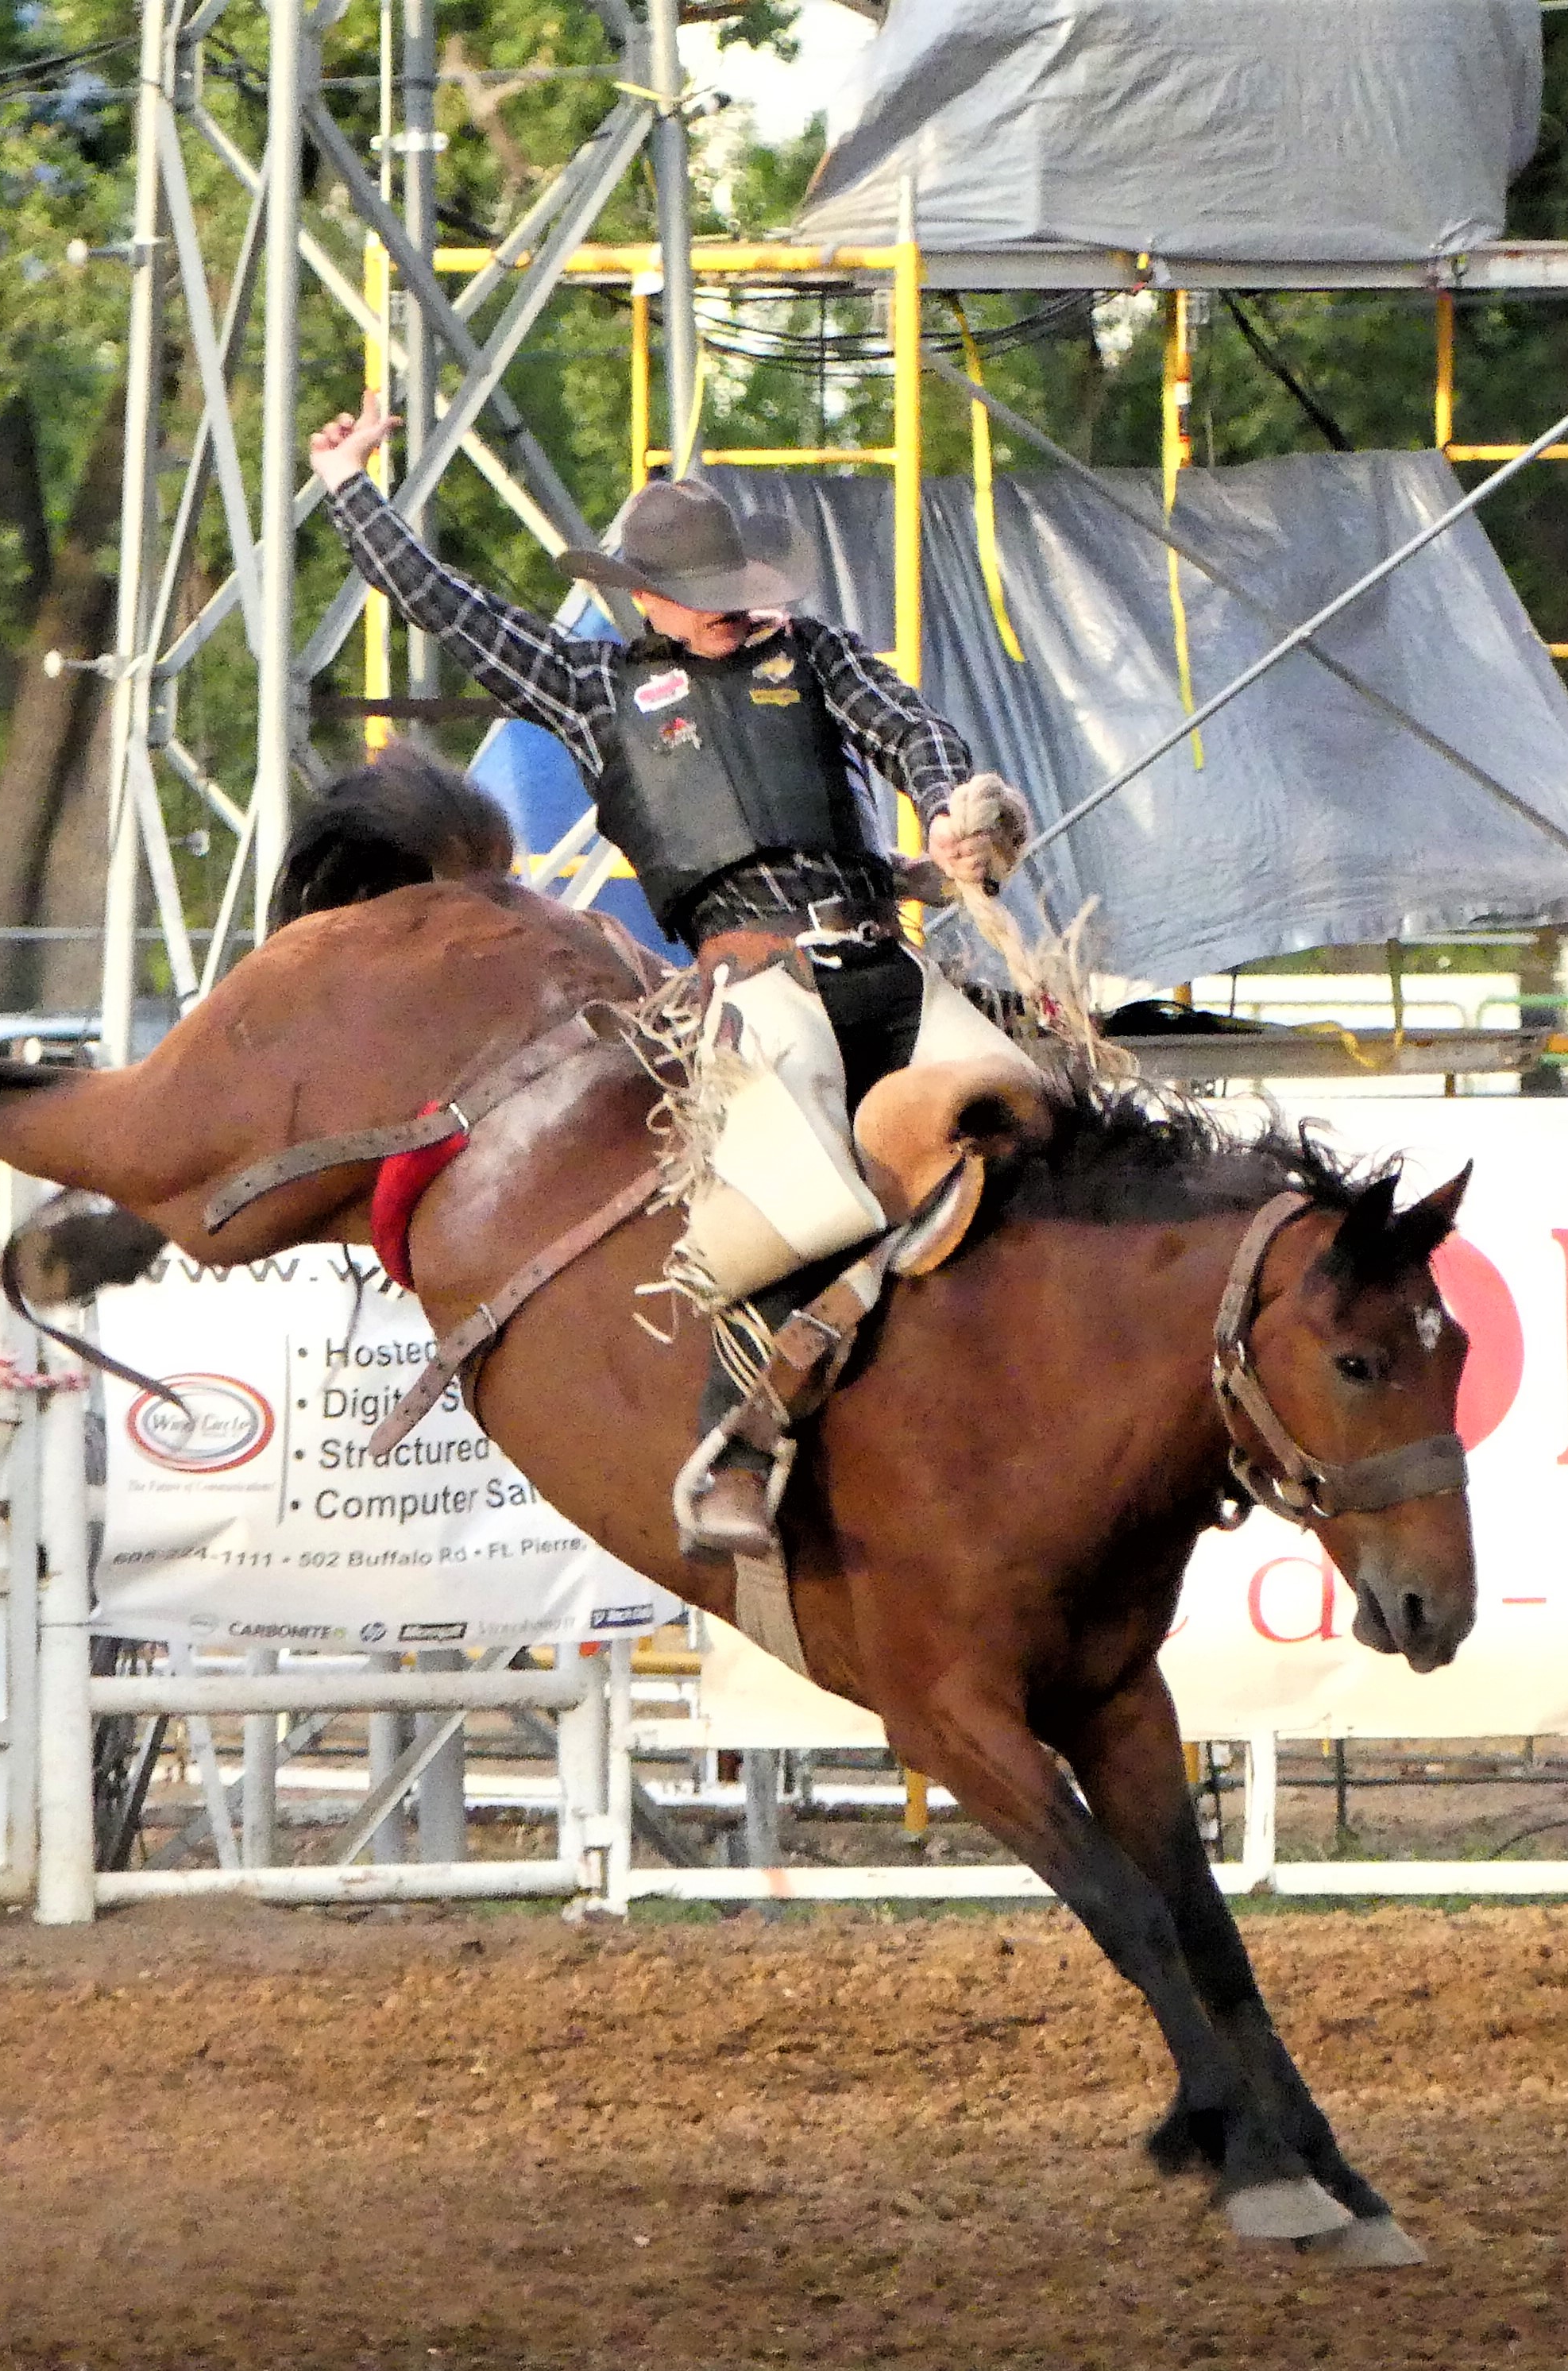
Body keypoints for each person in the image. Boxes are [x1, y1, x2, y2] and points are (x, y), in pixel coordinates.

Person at [306, 389, 1041, 1559]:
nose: (733, 616)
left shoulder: (814, 655)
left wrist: (958, 805)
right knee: (791, 1206)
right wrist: (354, 489)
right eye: (707, 600)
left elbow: (911, 731)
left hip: (883, 958)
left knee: (1036, 1122)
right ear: (645, 600)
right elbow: (444, 604)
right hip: (753, 990)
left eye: (738, 594)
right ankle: (738, 1445)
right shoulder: (593, 690)